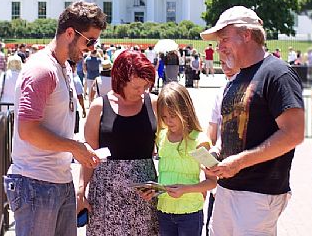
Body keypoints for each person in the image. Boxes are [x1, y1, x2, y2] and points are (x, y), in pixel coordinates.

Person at [4, 0, 107, 236]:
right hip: (34, 183)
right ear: (70, 33)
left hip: (59, 181)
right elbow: (27, 130)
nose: (92, 48)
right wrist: (75, 148)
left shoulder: (64, 67)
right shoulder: (42, 69)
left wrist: (77, 151)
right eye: (89, 41)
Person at [199, 6, 304, 236]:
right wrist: (216, 154)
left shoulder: (277, 73)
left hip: (259, 193)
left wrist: (239, 162)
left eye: (224, 38)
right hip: (226, 190)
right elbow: (229, 133)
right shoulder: (237, 78)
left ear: (246, 34)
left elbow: (294, 133)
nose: (219, 47)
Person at [77, 49, 159, 235]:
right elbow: (88, 156)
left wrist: (160, 184)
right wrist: (80, 191)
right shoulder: (99, 107)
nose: (142, 92)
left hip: (144, 196)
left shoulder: (154, 103)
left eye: (145, 87)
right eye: (137, 87)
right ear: (121, 79)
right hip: (106, 196)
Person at [141, 82, 216, 236]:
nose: (168, 121)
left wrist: (185, 189)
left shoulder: (199, 140)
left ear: (185, 110)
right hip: (164, 211)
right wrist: (154, 189)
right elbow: (165, 173)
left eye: (173, 116)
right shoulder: (161, 137)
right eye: (164, 117)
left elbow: (212, 182)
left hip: (190, 213)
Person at [205, 56, 239, 235]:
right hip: (221, 172)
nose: (224, 63)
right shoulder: (221, 92)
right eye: (222, 60)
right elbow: (211, 130)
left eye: (229, 59)